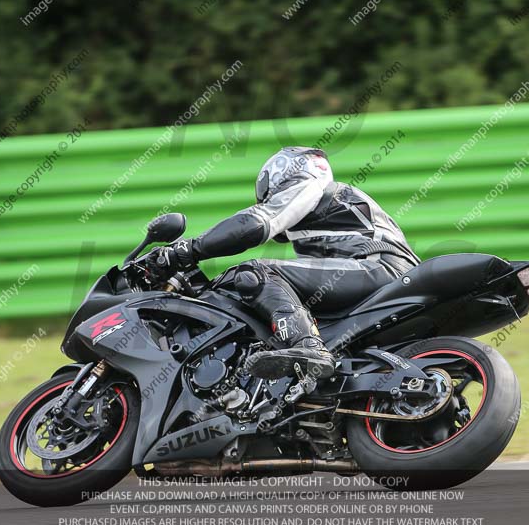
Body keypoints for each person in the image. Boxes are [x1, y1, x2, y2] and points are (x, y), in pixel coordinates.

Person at [148, 147, 420, 380]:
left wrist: (187, 250)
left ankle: (310, 347)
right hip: (378, 271)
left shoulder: (311, 187)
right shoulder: (326, 224)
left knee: (255, 272)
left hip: (379, 267)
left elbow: (255, 223)